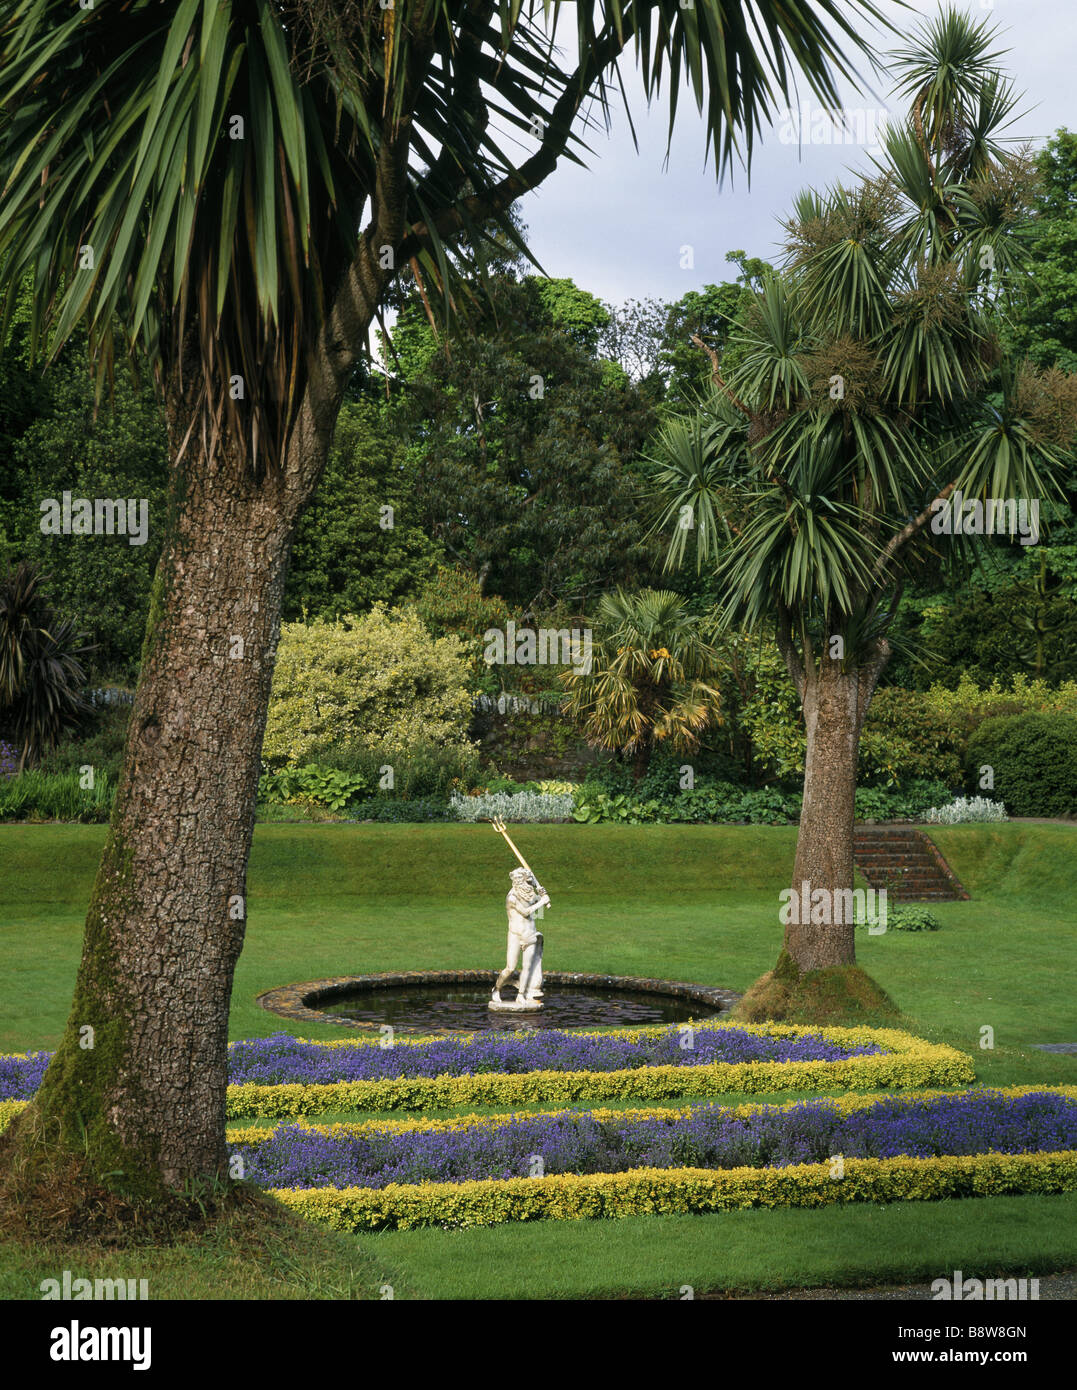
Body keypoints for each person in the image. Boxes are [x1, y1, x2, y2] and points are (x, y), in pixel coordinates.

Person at [493, 866, 550, 1004]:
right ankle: (496, 989)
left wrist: (541, 894)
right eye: (516, 878)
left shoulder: (529, 892)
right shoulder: (511, 897)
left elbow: (536, 907)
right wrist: (542, 901)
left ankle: (521, 994)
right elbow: (525, 912)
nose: (518, 880)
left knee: (527, 967)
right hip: (515, 935)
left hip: (530, 933)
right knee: (510, 968)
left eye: (521, 878)